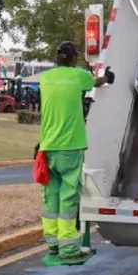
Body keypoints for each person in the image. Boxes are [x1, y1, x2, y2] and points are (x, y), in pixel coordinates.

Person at [38, 41, 114, 260]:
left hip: (47, 146)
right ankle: (69, 247)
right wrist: (107, 78)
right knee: (68, 196)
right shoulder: (77, 75)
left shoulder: (45, 78)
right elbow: (96, 82)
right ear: (72, 58)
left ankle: (52, 243)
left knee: (50, 196)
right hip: (69, 146)